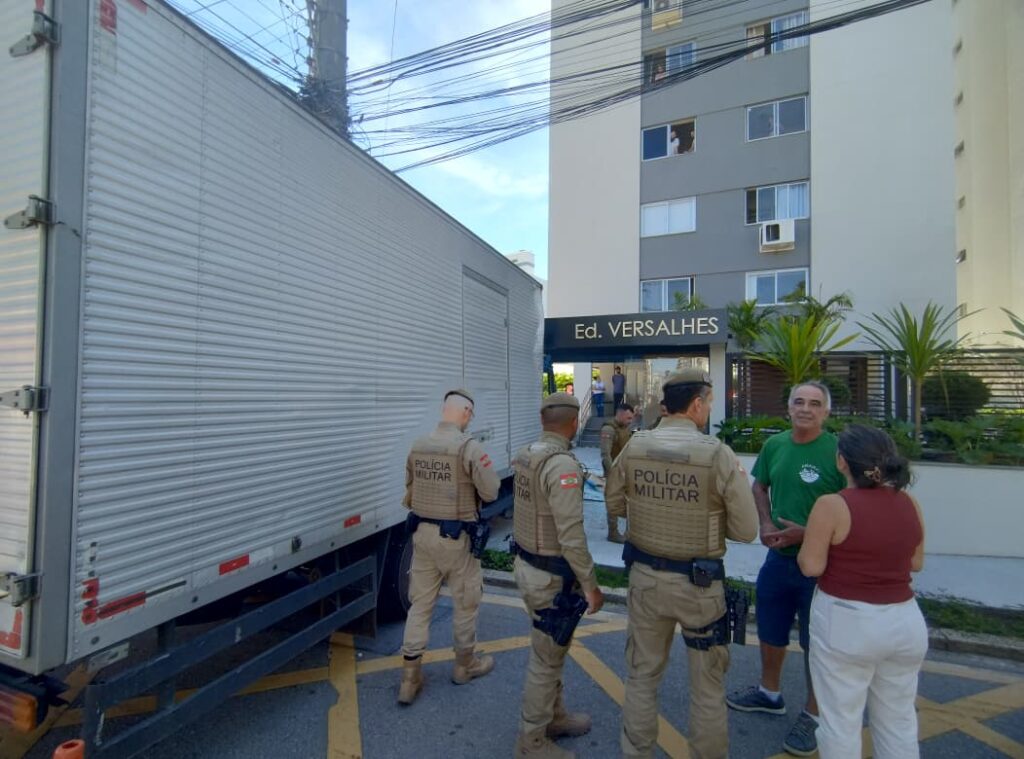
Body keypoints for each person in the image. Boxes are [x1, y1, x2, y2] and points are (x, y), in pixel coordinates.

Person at [607, 370, 758, 759]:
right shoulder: (717, 454)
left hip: (645, 578)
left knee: (641, 677)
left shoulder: (636, 445)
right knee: (707, 688)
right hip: (700, 587)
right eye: (709, 402)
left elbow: (614, 503)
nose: (709, 409)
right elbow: (746, 531)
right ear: (696, 404)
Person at [726, 381, 846, 756]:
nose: (806, 409)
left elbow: (853, 511)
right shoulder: (775, 445)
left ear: (826, 412)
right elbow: (759, 486)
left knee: (817, 641)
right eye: (799, 402)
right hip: (778, 559)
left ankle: (813, 714)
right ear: (789, 407)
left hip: (823, 566)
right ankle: (769, 692)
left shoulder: (839, 453)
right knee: (770, 626)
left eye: (815, 403)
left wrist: (807, 533)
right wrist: (765, 523)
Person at [798, 425, 927, 759]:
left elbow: (811, 566)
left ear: (842, 461)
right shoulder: (909, 502)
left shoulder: (832, 505)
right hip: (906, 621)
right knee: (899, 721)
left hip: (847, 621)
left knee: (840, 723)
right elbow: (916, 562)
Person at [512, 392, 604, 758]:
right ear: (574, 423)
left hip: (528, 567)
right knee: (546, 660)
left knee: (551, 649)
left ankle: (555, 716)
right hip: (550, 576)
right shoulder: (562, 465)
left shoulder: (526, 454)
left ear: (542, 421)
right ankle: (531, 741)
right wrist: (591, 585)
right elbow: (571, 535)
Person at [397, 389, 501, 705]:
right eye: (471, 415)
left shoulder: (418, 444)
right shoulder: (469, 447)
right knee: (465, 603)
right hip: (458, 540)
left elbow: (410, 488)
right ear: (466, 413)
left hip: (422, 535)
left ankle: (409, 678)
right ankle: (464, 666)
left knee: (420, 605)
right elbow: (492, 491)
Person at [600, 403, 635, 543]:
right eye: (628, 418)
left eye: (631, 418)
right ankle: (613, 533)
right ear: (619, 414)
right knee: (613, 502)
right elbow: (605, 454)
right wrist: (612, 474)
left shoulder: (624, 428)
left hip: (625, 471)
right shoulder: (609, 429)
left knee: (629, 501)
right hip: (614, 472)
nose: (630, 421)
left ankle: (629, 532)